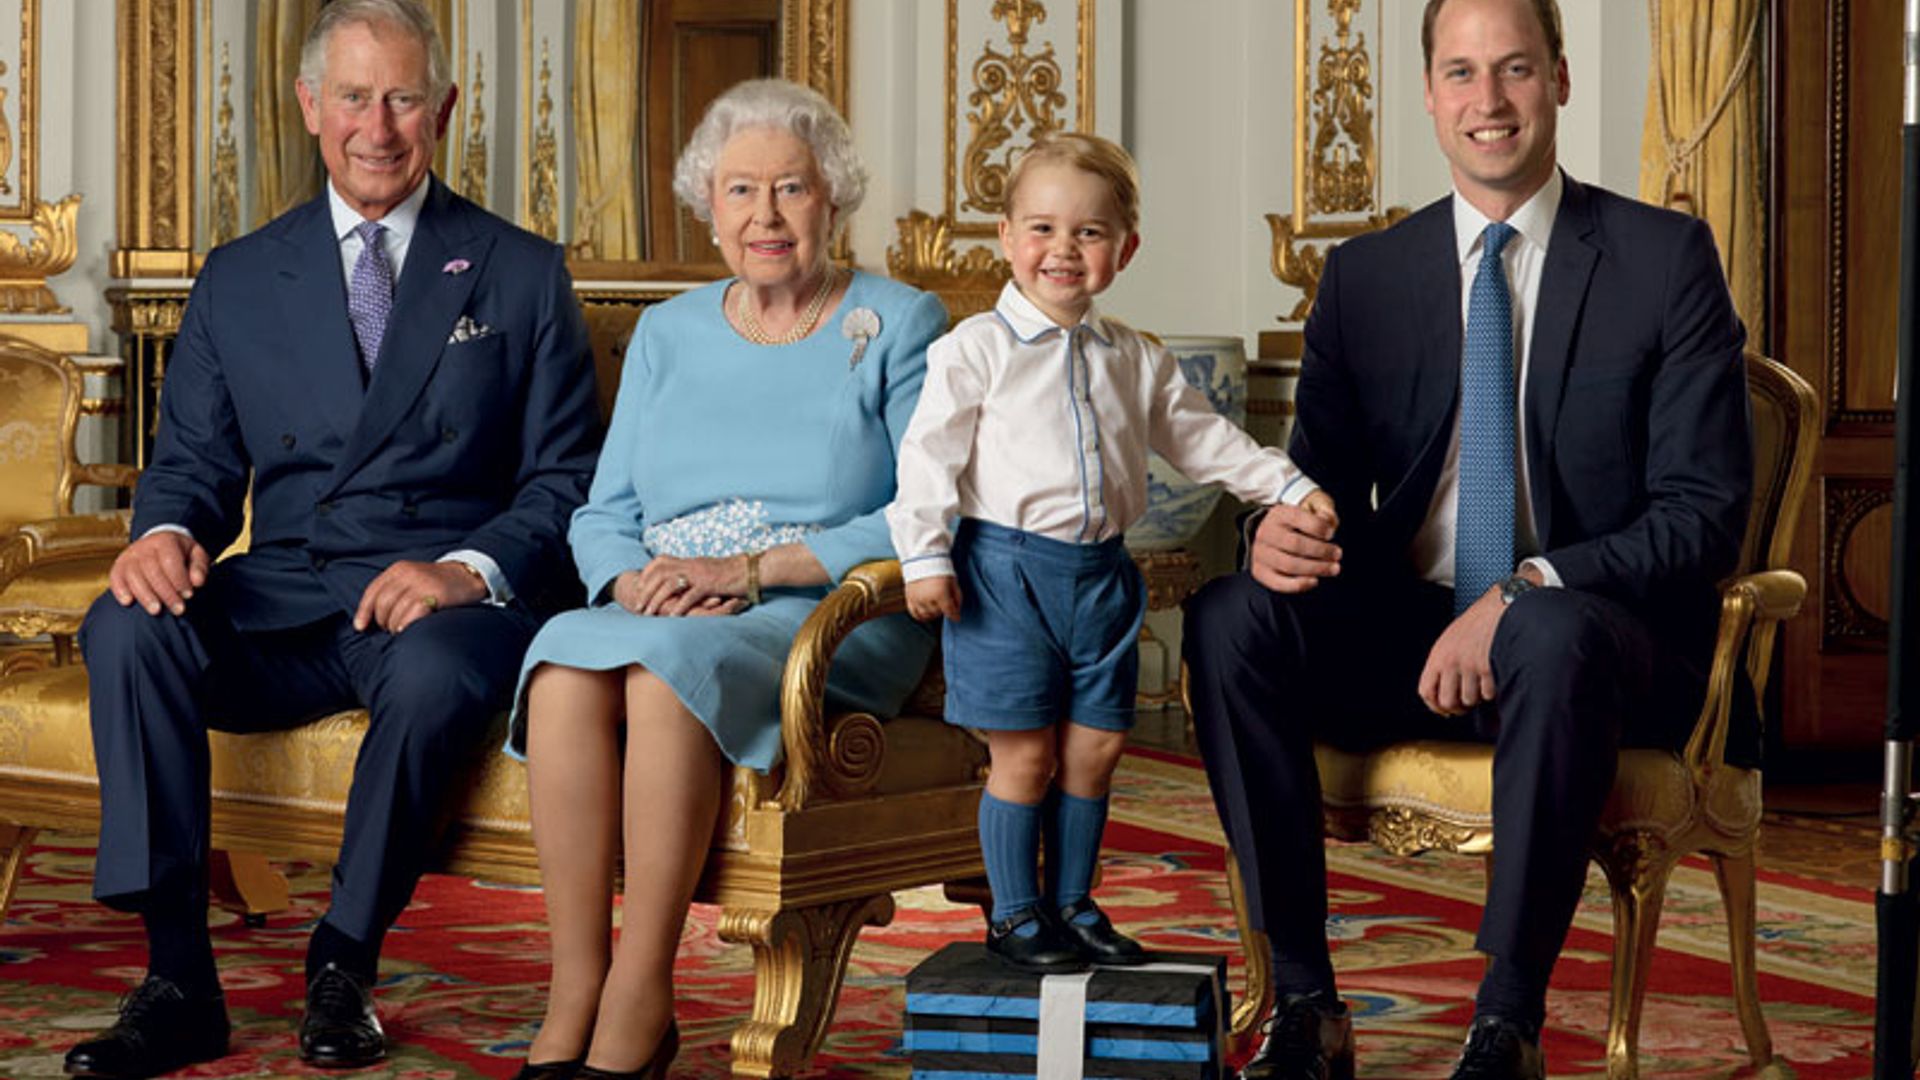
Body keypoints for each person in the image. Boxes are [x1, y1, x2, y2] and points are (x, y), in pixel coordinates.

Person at [1182, 0, 1754, 1076]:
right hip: (1414, 635)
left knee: (1548, 633)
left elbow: (1701, 514)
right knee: (1228, 617)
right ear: (1431, 96)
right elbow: (1321, 485)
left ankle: (1506, 1022)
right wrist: (1276, 532)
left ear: (1561, 80)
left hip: (1600, 641)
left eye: (1515, 70)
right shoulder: (1366, 277)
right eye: (1461, 73)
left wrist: (1528, 587)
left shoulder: (1663, 259)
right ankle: (1306, 1002)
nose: (1488, 101)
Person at [65, 2, 602, 1077]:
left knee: (439, 676)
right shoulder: (238, 275)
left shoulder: (521, 271)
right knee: (126, 625)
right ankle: (178, 978)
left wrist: (466, 571)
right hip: (288, 591)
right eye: (354, 96)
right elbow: (193, 470)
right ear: (310, 105)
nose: (379, 126)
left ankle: (343, 965)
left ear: (443, 109)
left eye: (403, 98)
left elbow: (567, 482)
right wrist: (165, 534)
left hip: (436, 603)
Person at [509, 78, 947, 1080]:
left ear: (833, 199)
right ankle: (575, 980)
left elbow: (919, 511)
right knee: (565, 663)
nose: (765, 215)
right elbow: (603, 511)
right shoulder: (669, 331)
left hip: (826, 610)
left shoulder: (899, 321)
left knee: (666, 670)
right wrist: (629, 584)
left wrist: (747, 571)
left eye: (790, 189)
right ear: (709, 208)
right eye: (739, 191)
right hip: (668, 604)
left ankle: (639, 990)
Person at [887, 132, 1335, 975]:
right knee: (1024, 754)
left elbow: (1204, 441)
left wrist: (1284, 485)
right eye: (1043, 229)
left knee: (1093, 749)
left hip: (1102, 578)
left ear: (1124, 249)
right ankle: (1015, 914)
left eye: (1089, 233)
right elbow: (926, 460)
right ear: (1007, 239)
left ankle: (1073, 902)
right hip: (1004, 575)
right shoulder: (972, 350)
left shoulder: (1134, 356)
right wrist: (924, 558)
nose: (1064, 250)